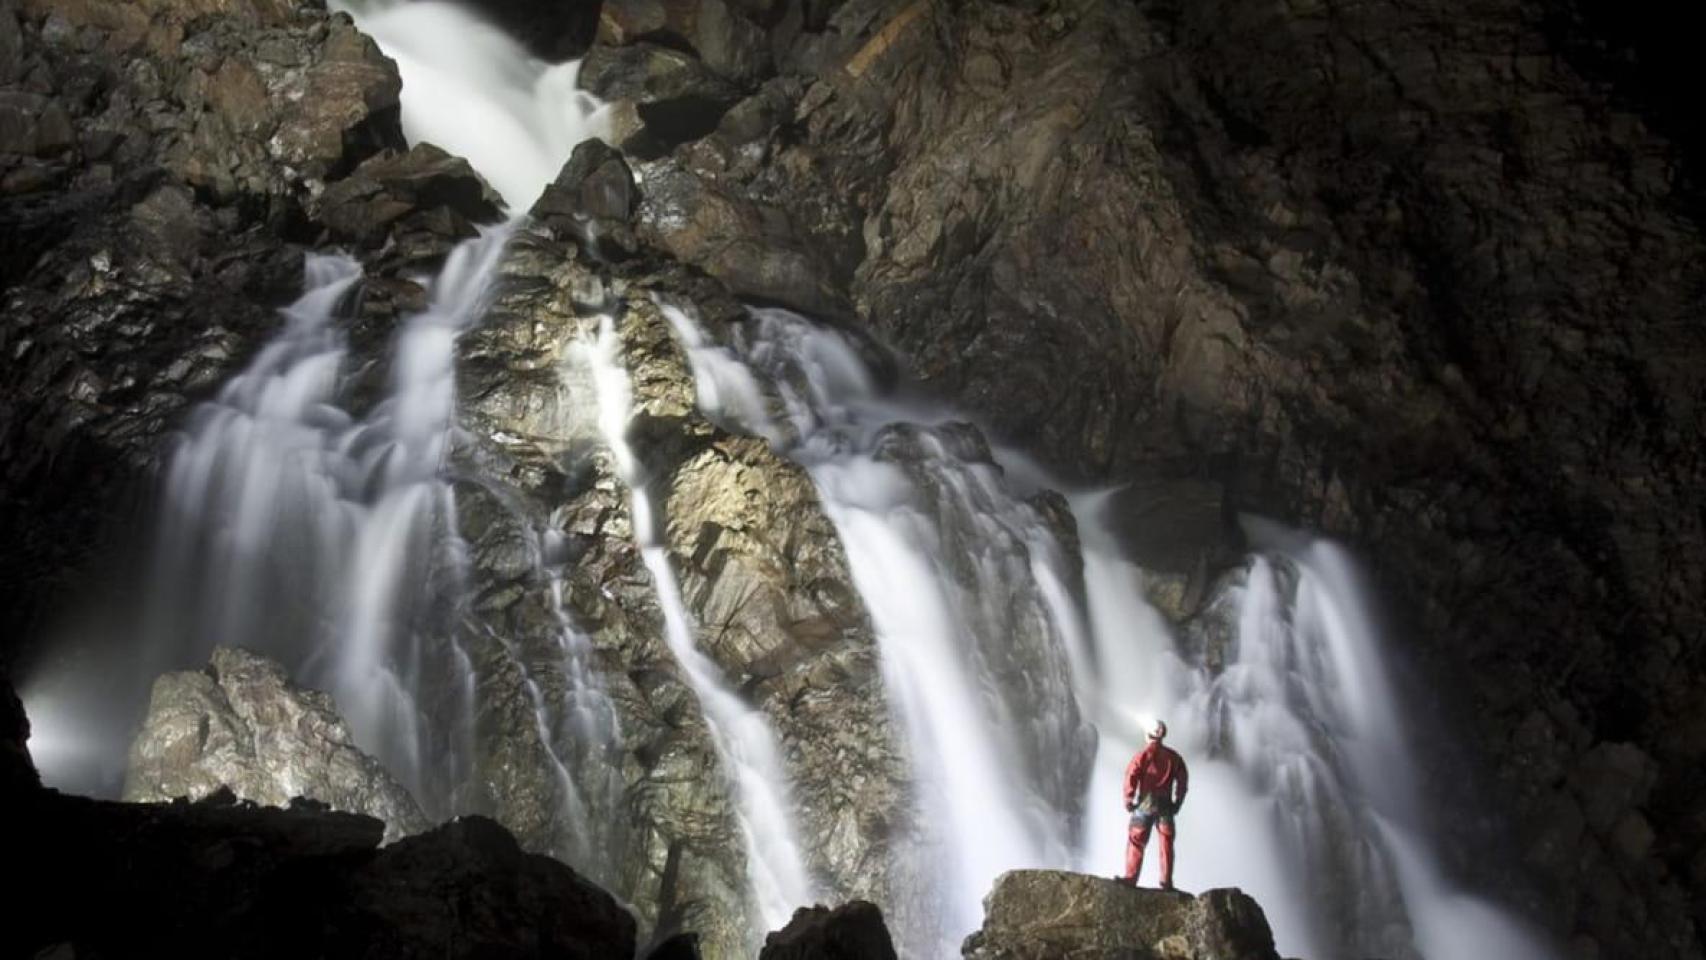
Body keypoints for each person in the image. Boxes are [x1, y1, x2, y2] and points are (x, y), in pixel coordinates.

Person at [1122, 719, 1188, 890]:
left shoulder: (1142, 755)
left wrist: (1128, 800)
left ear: (1148, 734)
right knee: (1166, 843)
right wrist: (1177, 803)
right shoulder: (1175, 758)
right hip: (1165, 803)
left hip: (1146, 801)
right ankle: (1166, 882)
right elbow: (1182, 781)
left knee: (1136, 839)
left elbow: (1131, 776)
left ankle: (1130, 879)